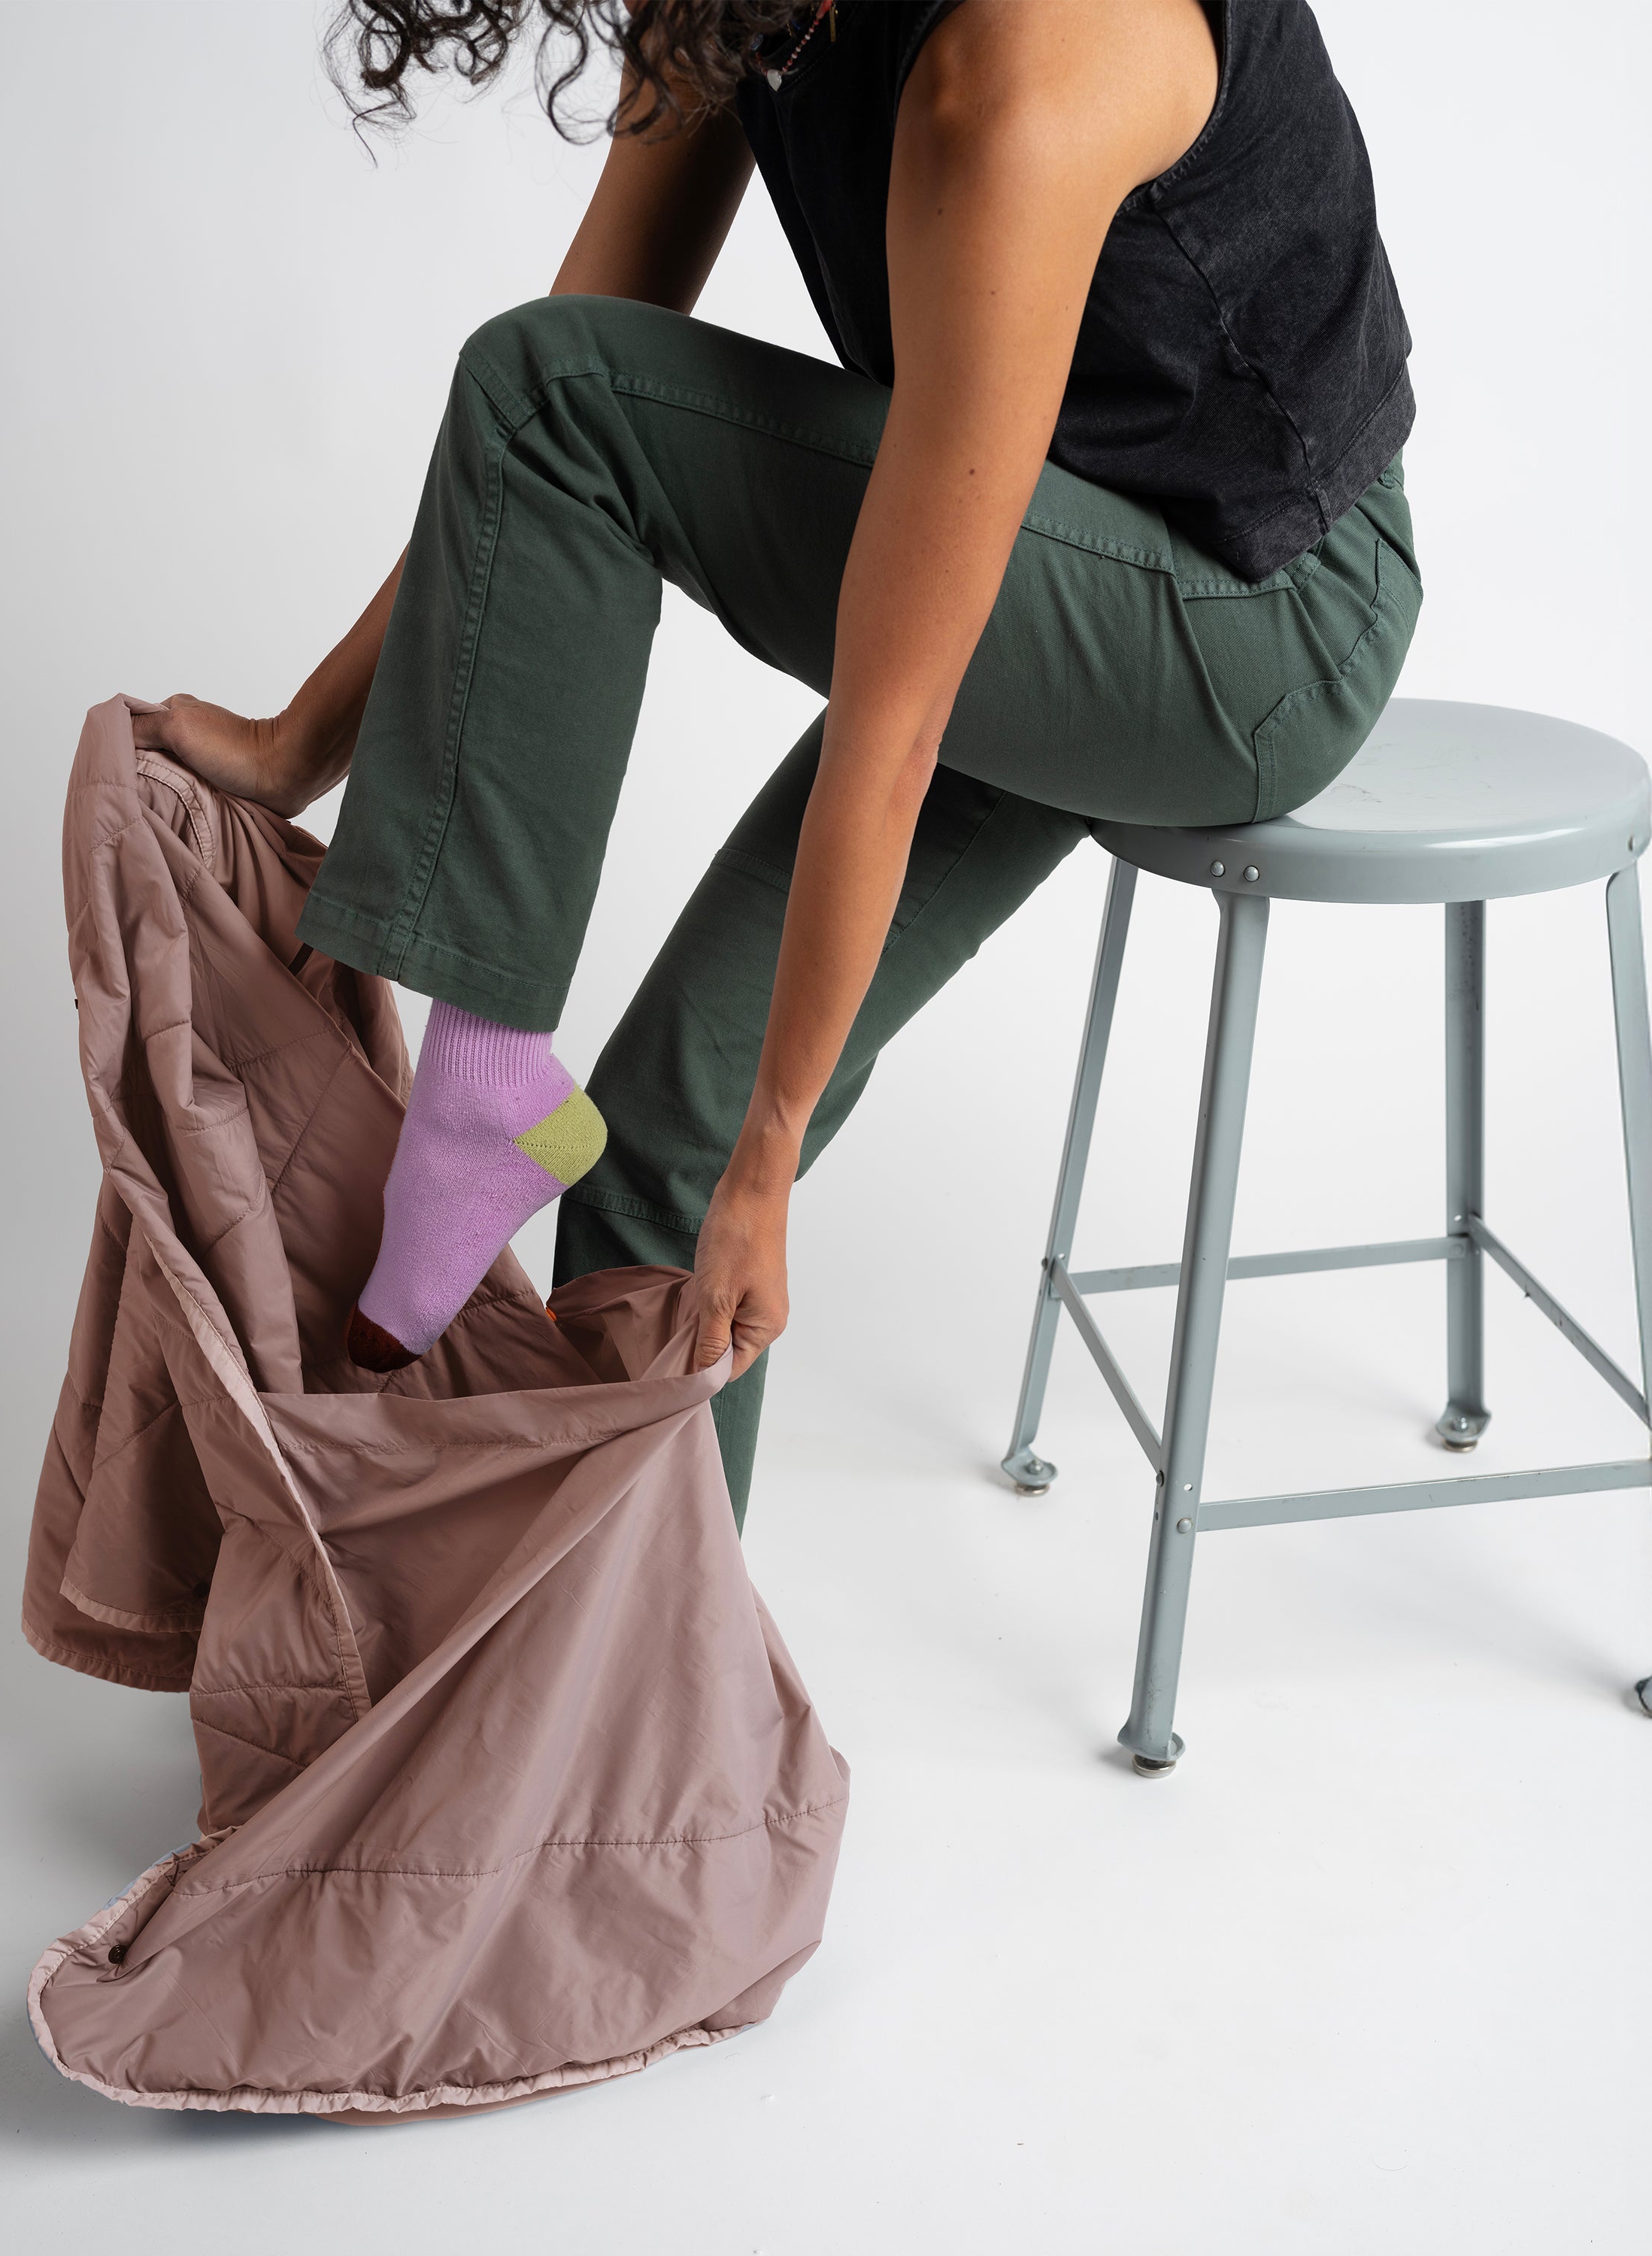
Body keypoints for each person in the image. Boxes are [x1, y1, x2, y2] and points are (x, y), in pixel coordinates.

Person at [135, 0, 1421, 1529]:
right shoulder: (725, 8)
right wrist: (302, 742)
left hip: (1250, 626)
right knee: (650, 1171)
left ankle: (484, 1085)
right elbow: (522, 462)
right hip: (1042, 547)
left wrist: (775, 1151)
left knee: (561, 397)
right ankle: (665, 1724)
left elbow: (894, 713)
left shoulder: (1023, 66)